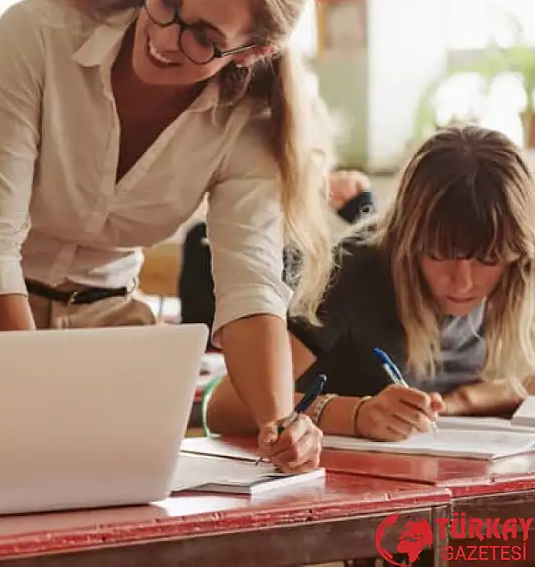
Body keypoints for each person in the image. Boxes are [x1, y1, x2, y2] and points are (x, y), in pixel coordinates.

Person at [0, 0, 331, 471]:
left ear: (251, 53)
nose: (165, 37)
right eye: (167, 0)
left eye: (204, 38)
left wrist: (280, 425)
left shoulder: (254, 119)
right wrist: (28, 388)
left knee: (112, 509)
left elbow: (250, 287)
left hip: (101, 320)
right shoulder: (41, 32)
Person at [206, 125, 535, 441]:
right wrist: (354, 414)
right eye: (438, 254)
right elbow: (224, 407)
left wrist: (462, 401)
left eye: (488, 259)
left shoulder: (520, 272)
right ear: (408, 240)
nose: (463, 282)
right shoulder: (356, 269)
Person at [179, 168, 375, 332]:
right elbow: (198, 323)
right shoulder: (203, 238)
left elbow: (375, 268)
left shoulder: (304, 243)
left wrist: (360, 206)